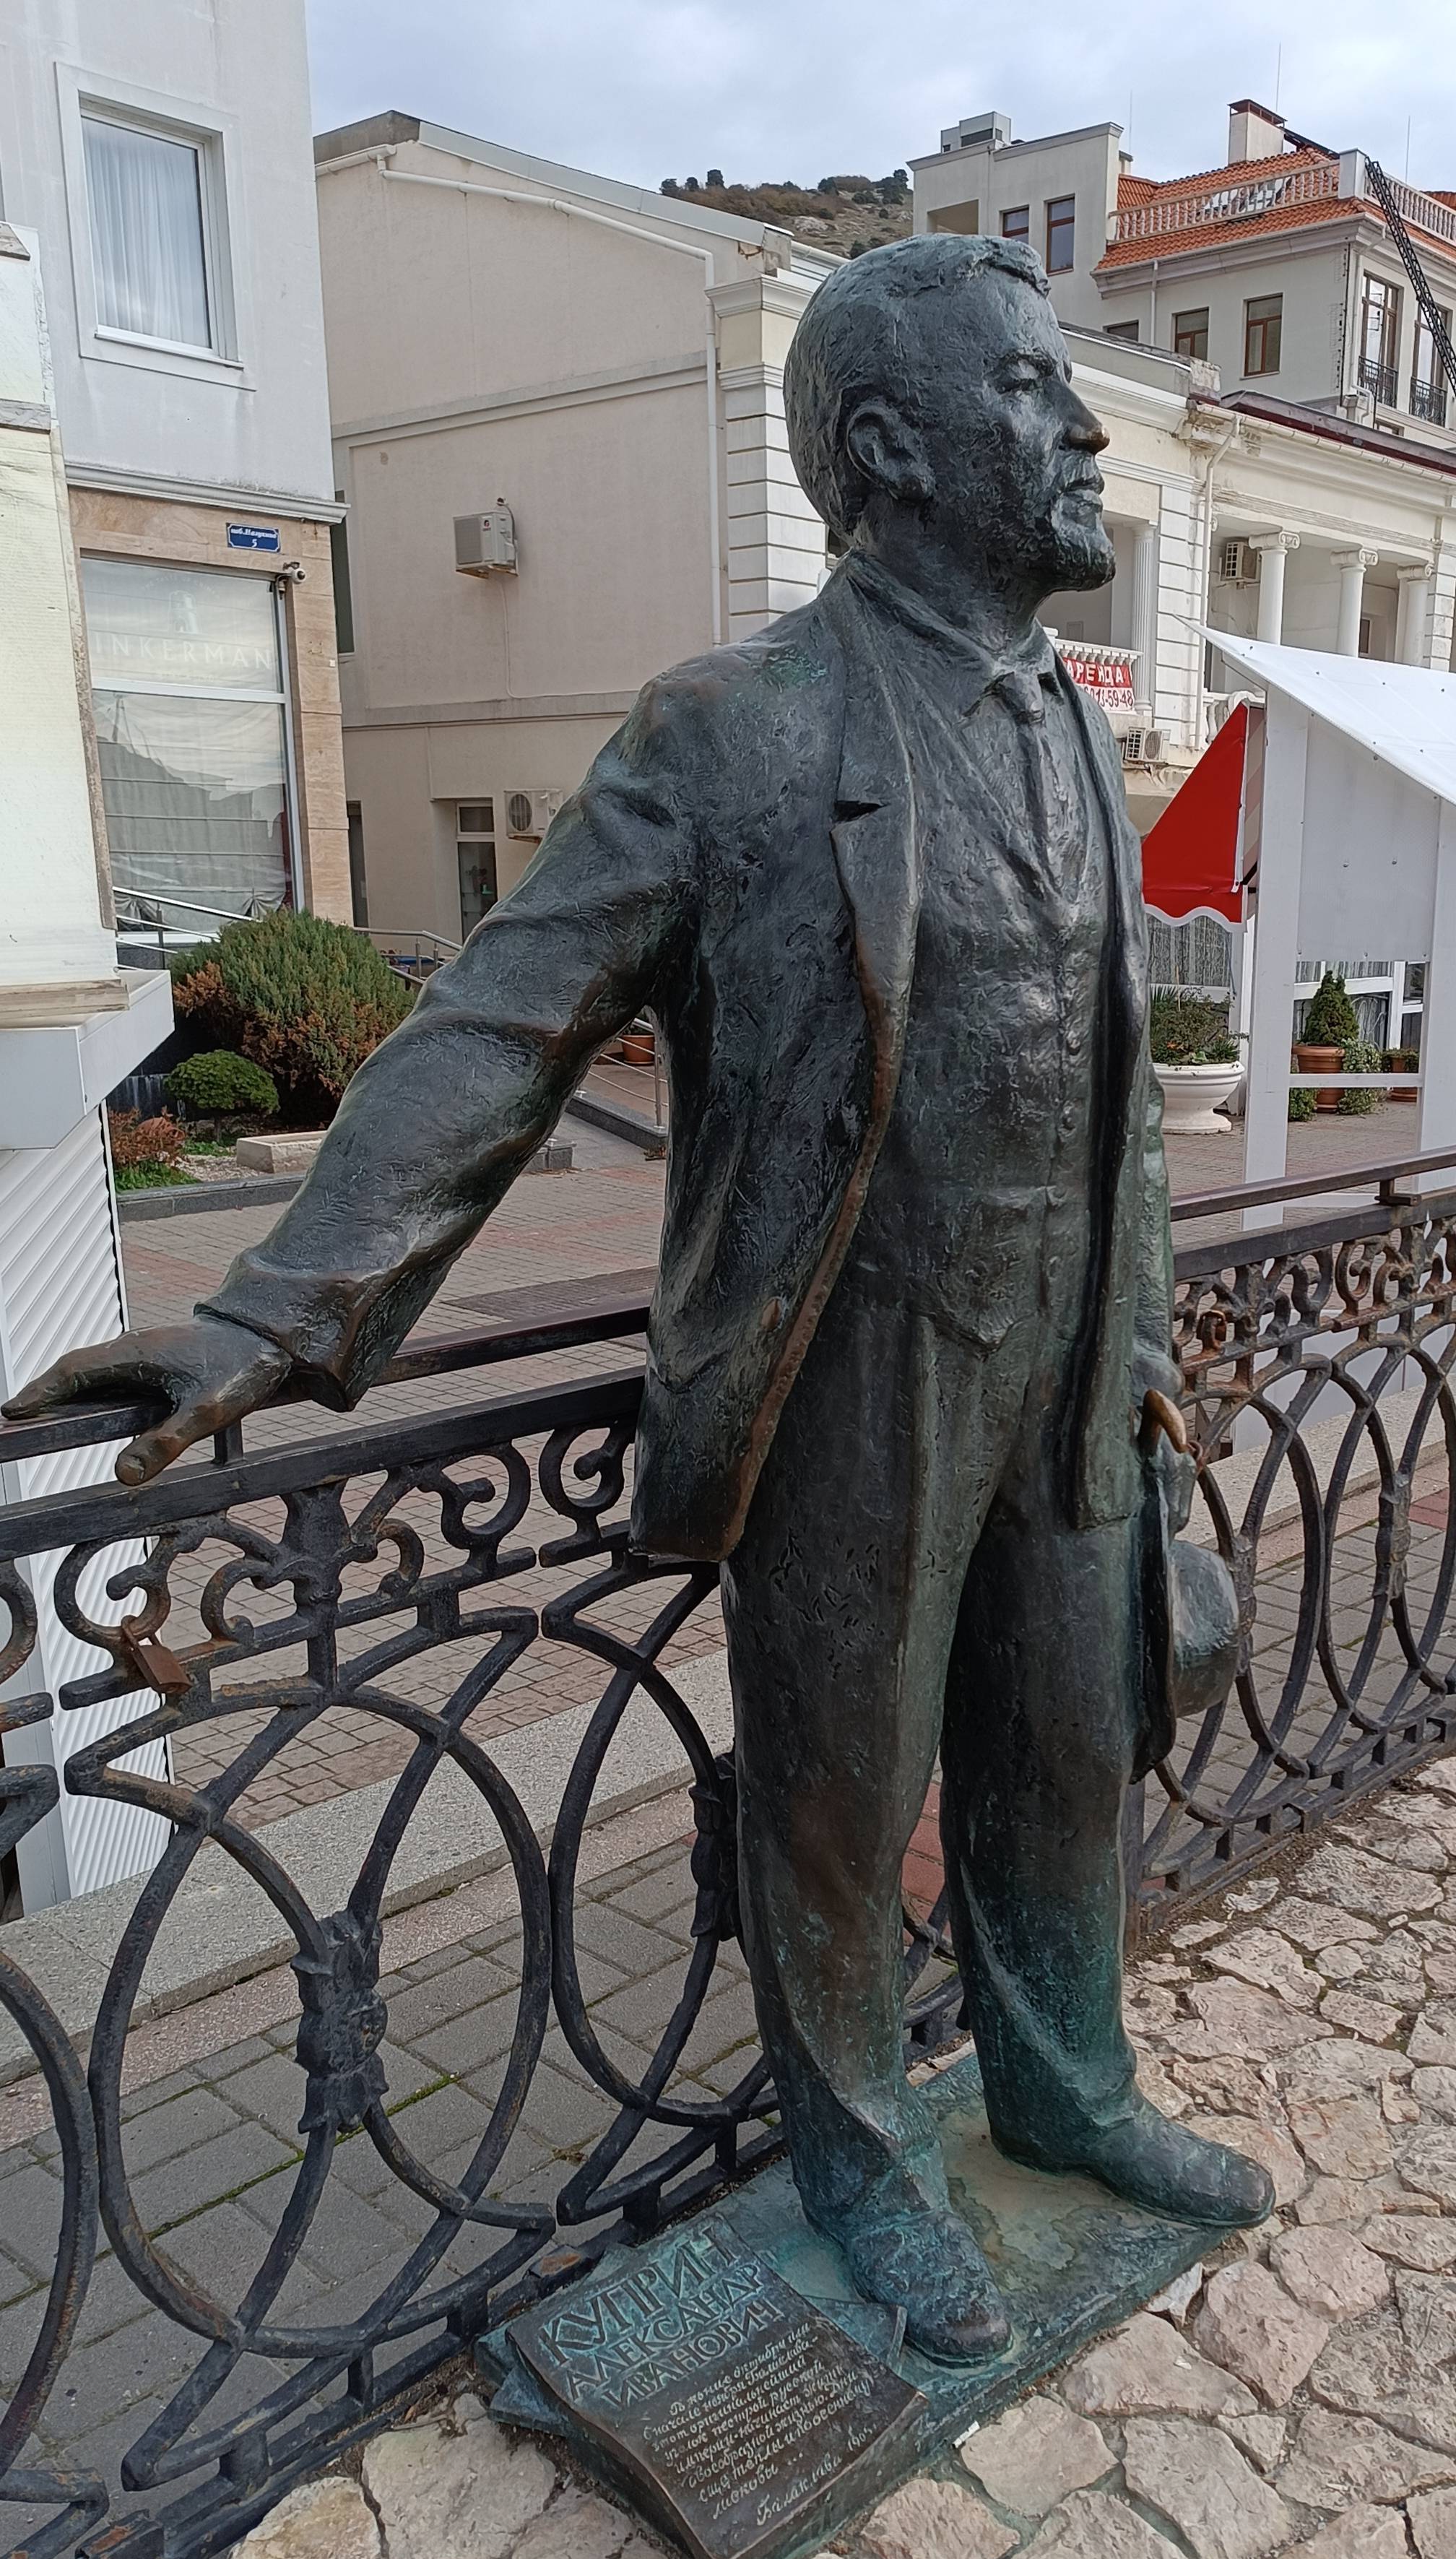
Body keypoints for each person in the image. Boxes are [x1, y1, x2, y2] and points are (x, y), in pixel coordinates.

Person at [5, 233, 1270, 2363]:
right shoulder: (736, 733)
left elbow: (1115, 1075)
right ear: (890, 449)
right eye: (1030, 388)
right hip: (855, 1359)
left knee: (1065, 1749)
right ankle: (862, 2165)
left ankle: (1069, 2086)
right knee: (839, 1791)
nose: (1079, 429)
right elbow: (501, 1024)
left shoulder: (1068, 714)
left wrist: (1134, 1327)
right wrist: (268, 1314)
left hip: (1071, 1356)